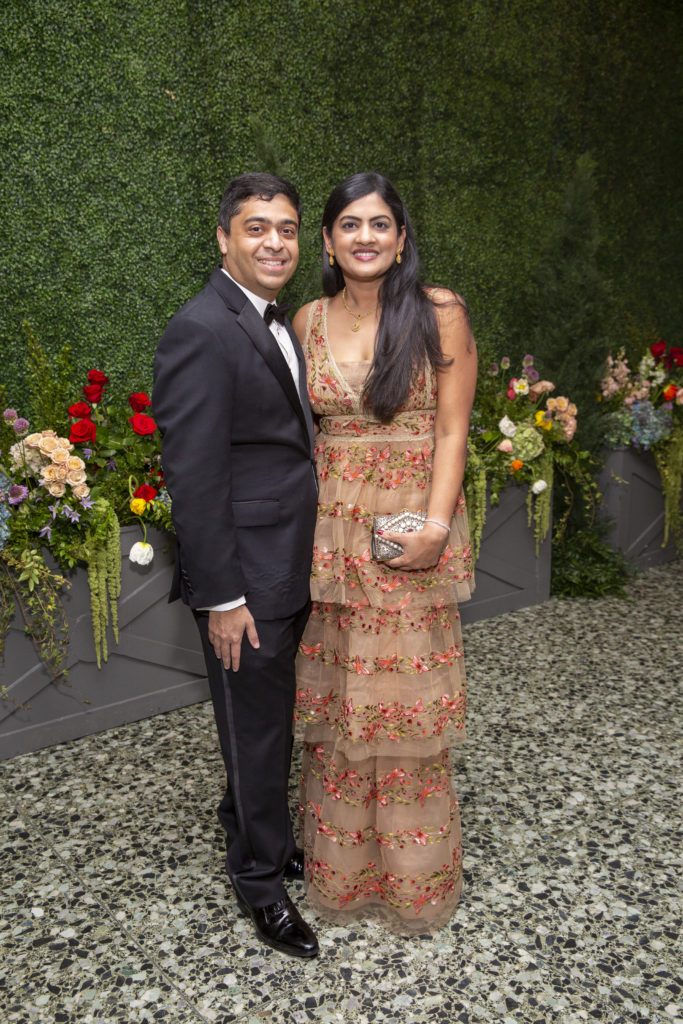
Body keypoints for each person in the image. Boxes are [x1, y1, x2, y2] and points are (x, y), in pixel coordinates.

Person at [293, 172, 477, 933]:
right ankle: (343, 872)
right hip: (334, 533)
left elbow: (451, 430)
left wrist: (434, 525)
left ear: (401, 238)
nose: (363, 236)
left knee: (399, 705)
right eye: (348, 225)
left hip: (406, 525)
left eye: (379, 224)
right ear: (328, 241)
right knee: (342, 697)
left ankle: (411, 882)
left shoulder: (438, 313)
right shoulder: (305, 318)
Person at [153, 173, 319, 958]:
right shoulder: (202, 327)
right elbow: (193, 475)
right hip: (243, 580)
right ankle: (260, 883)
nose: (274, 243)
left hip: (283, 562)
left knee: (265, 722)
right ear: (223, 238)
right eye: (256, 229)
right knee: (255, 731)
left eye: (286, 229)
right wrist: (222, 597)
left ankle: (254, 828)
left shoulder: (269, 320)